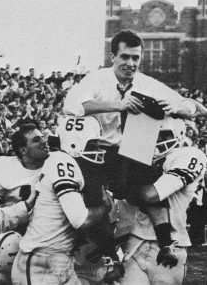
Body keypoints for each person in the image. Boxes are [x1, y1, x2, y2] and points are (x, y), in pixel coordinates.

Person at [63, 30, 198, 266]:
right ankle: (103, 252)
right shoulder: (96, 79)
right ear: (112, 56)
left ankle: (166, 243)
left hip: (128, 151)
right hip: (95, 151)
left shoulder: (147, 83)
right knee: (97, 203)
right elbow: (74, 105)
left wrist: (180, 109)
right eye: (125, 57)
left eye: (136, 58)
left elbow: (193, 106)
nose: (131, 63)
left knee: (145, 183)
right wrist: (119, 105)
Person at [11, 122, 110, 285]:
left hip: (59, 259)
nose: (44, 141)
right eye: (92, 145)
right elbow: (81, 220)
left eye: (43, 137)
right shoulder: (61, 161)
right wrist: (104, 209)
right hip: (41, 262)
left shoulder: (55, 161)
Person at [118, 117, 207, 285]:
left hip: (170, 245)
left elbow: (150, 195)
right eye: (155, 135)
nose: (158, 140)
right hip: (136, 241)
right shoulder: (142, 156)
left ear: (180, 135)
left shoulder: (188, 154)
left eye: (165, 135)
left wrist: (132, 187)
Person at [58, 115, 124, 284]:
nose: (97, 149)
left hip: (85, 256)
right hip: (62, 256)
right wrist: (113, 256)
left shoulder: (89, 170)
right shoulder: (82, 174)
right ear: (74, 144)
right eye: (92, 145)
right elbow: (96, 222)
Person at [0, 124, 50, 285]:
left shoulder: (57, 164)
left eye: (43, 137)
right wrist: (25, 206)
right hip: (9, 239)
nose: (44, 142)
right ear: (23, 150)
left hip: (44, 239)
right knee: (6, 247)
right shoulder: (1, 168)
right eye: (36, 140)